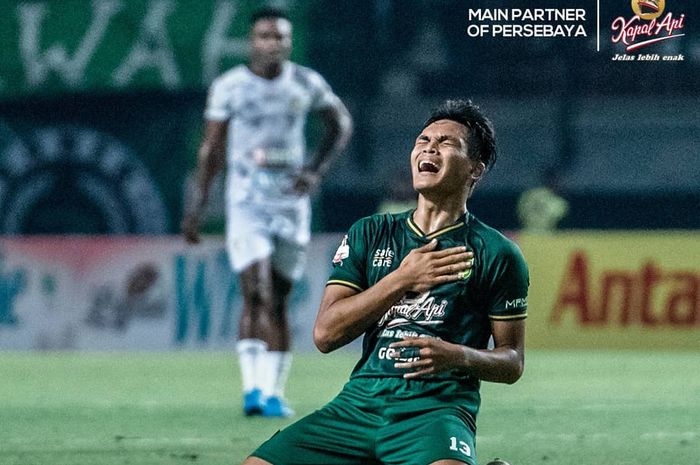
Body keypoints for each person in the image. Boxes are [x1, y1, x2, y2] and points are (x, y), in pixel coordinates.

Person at [242, 99, 528, 465]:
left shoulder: (496, 252)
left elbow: (513, 362)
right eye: (423, 140)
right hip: (358, 406)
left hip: (435, 411)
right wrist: (402, 279)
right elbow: (326, 335)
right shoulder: (370, 232)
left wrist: (459, 355)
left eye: (446, 143)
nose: (429, 148)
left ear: (475, 168)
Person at [181, 7, 352, 418]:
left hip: (291, 206)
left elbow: (340, 124)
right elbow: (211, 149)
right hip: (247, 205)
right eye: (264, 36)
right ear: (251, 42)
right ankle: (251, 391)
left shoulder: (305, 83)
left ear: (288, 43)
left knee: (278, 300)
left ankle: (273, 391)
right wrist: (198, 206)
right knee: (254, 290)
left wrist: (315, 171)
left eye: (279, 37)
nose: (272, 43)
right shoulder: (231, 87)